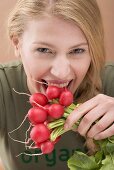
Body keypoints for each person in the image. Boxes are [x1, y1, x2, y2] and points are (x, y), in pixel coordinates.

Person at [0, 0, 114, 169]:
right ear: (17, 43)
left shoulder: (110, 80)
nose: (61, 73)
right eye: (44, 50)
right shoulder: (4, 85)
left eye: (77, 51)